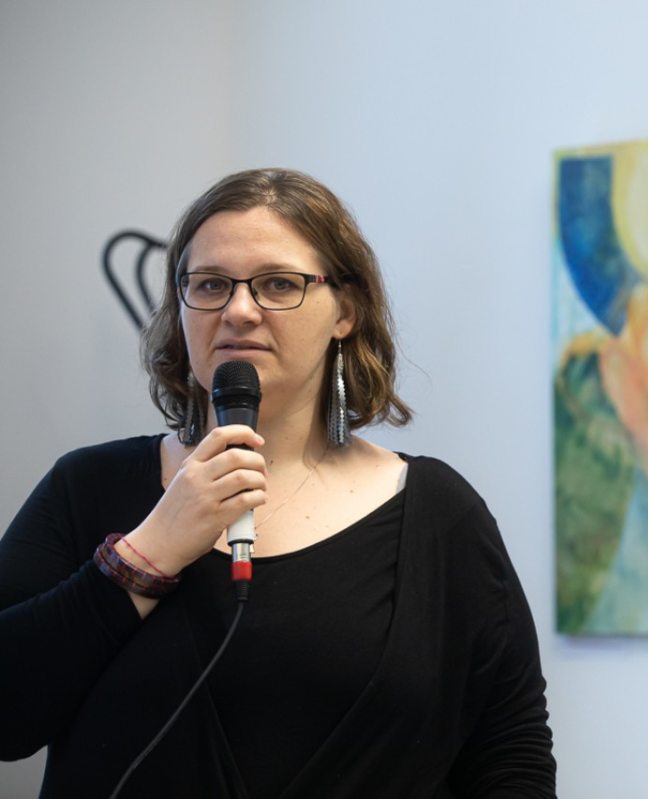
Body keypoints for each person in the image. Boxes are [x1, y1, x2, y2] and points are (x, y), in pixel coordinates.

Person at [0, 168, 556, 797]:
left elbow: (511, 751)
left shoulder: (438, 516)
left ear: (345, 310)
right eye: (210, 284)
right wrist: (148, 553)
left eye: (278, 284)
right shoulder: (86, 488)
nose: (239, 311)